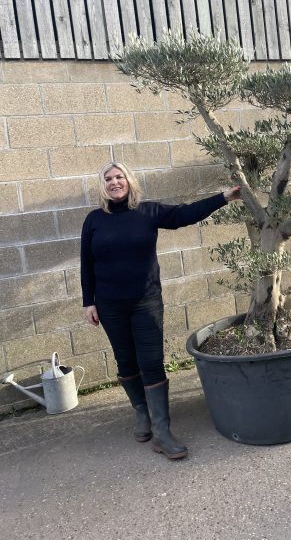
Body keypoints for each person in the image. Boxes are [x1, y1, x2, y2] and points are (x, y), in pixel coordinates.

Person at [81, 161, 241, 460]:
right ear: (102, 186)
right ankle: (141, 413)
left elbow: (185, 215)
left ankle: (162, 430)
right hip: (109, 304)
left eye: (120, 177)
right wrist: (88, 301)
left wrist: (223, 198)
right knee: (125, 360)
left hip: (146, 301)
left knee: (151, 361)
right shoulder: (93, 220)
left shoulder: (148, 212)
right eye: (108, 179)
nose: (115, 182)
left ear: (129, 181)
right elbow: (86, 263)